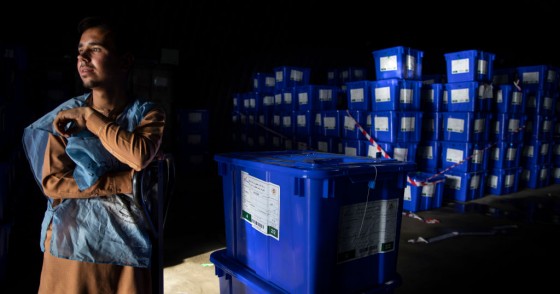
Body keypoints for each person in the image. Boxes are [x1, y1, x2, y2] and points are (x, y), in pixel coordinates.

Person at [22, 16, 166, 293]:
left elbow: (138, 156)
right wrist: (123, 183)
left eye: (96, 49)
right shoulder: (62, 119)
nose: (83, 58)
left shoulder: (147, 114)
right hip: (71, 244)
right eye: (80, 51)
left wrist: (90, 118)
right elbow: (53, 184)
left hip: (126, 245)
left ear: (125, 62)